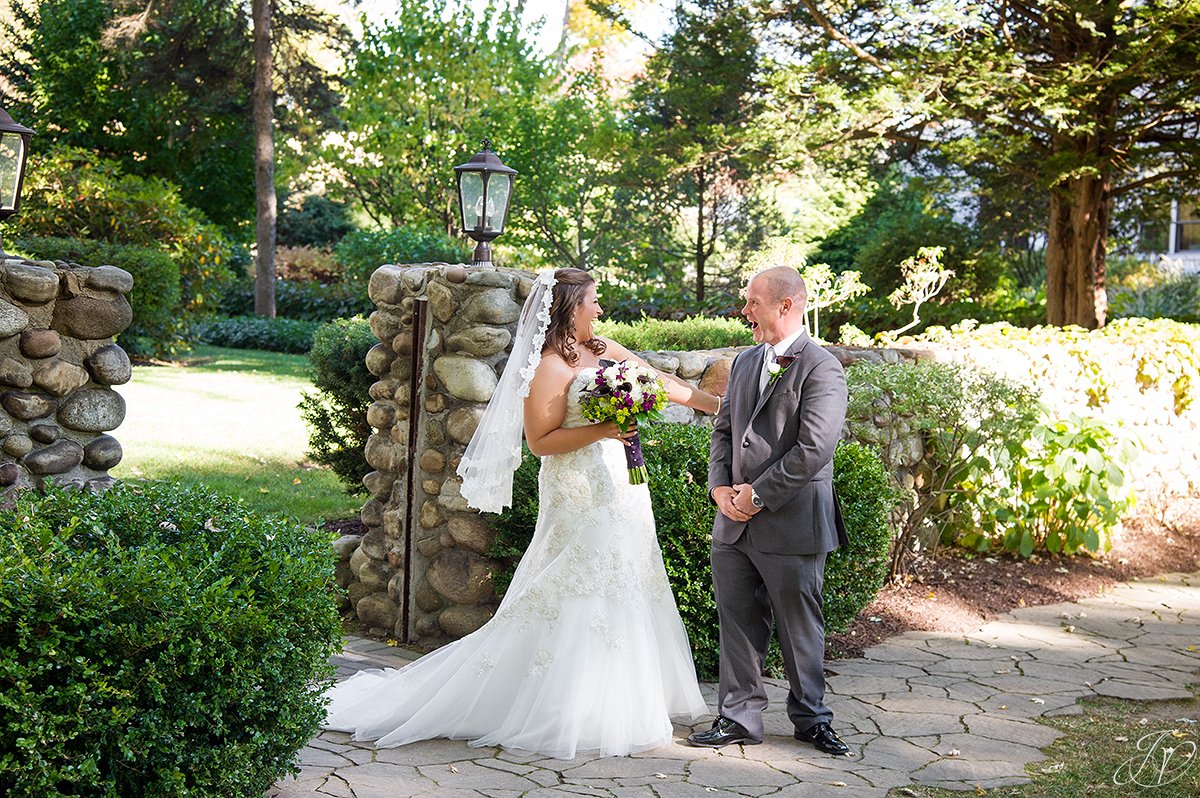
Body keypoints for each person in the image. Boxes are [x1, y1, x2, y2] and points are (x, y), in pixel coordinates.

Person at [324, 267, 720, 759]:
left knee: (628, 574)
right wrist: (605, 431)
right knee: (577, 581)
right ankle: (564, 706)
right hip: (578, 489)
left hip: (620, 485)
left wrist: (713, 403)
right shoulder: (548, 368)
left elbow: (656, 379)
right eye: (593, 301)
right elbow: (540, 442)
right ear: (570, 307)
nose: (599, 309)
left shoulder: (603, 349)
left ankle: (619, 697)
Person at [687, 266, 851, 756]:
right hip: (732, 522)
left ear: (786, 306)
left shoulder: (822, 367)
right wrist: (720, 489)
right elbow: (723, 431)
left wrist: (755, 495)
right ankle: (737, 716)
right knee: (736, 620)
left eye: (753, 303)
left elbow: (814, 449)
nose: (745, 311)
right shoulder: (742, 362)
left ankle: (811, 718)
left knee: (800, 625)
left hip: (791, 520)